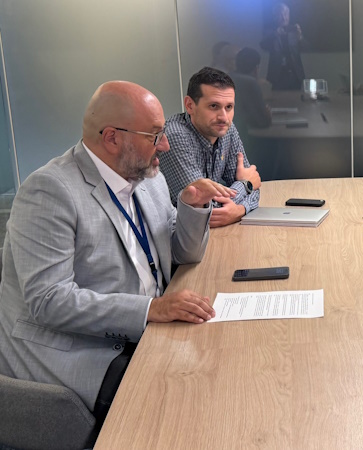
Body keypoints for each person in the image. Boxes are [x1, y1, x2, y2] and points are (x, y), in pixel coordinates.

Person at [0, 81, 233, 432]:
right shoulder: (50, 191)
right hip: (80, 348)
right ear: (112, 138)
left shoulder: (148, 176)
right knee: (182, 399)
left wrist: (191, 208)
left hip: (147, 328)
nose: (165, 145)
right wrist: (151, 309)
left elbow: (182, 253)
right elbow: (49, 301)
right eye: (154, 135)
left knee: (220, 365)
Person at [161, 67, 262, 228]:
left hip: (208, 234)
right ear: (189, 105)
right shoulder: (175, 136)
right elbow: (204, 210)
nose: (224, 117)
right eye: (214, 106)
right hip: (175, 235)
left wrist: (241, 209)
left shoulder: (226, 129)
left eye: (229, 107)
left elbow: (255, 187)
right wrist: (246, 184)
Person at [261, 2, 305, 90]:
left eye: (286, 14)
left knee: (296, 97)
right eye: (280, 15)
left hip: (295, 74)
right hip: (278, 75)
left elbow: (306, 48)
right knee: (277, 97)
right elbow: (263, 45)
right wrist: (275, 34)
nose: (284, 18)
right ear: (275, 16)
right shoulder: (270, 31)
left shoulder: (294, 31)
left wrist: (300, 37)